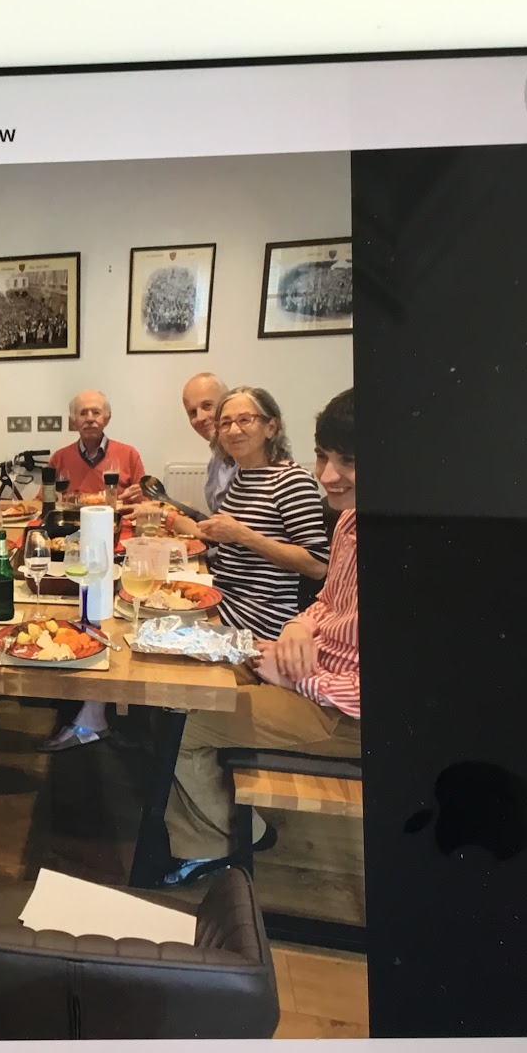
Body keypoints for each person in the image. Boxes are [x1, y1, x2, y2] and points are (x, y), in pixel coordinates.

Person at [160, 389, 359, 886]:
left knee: (177, 723)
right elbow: (328, 597)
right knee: (167, 683)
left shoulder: (292, 483)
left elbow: (312, 566)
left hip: (334, 702)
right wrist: (298, 627)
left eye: (349, 462)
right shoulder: (350, 522)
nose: (328, 475)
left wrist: (297, 677)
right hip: (288, 652)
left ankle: (214, 847)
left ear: (271, 426)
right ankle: (239, 825)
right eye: (324, 457)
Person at [168, 386, 329, 640]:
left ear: (271, 427)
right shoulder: (243, 475)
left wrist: (242, 534)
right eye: (225, 423)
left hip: (256, 621)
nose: (233, 430)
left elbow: (317, 565)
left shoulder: (291, 480)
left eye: (244, 420)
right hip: (224, 601)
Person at [47, 389, 145, 504]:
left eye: (96, 412)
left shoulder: (129, 455)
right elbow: (41, 502)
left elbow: (145, 503)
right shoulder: (59, 458)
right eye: (83, 413)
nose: (90, 419)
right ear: (74, 421)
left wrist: (140, 497)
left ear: (107, 419)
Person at [181, 371, 235, 514]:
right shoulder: (215, 460)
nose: (200, 417)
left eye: (207, 406)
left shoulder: (252, 459)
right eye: (192, 412)